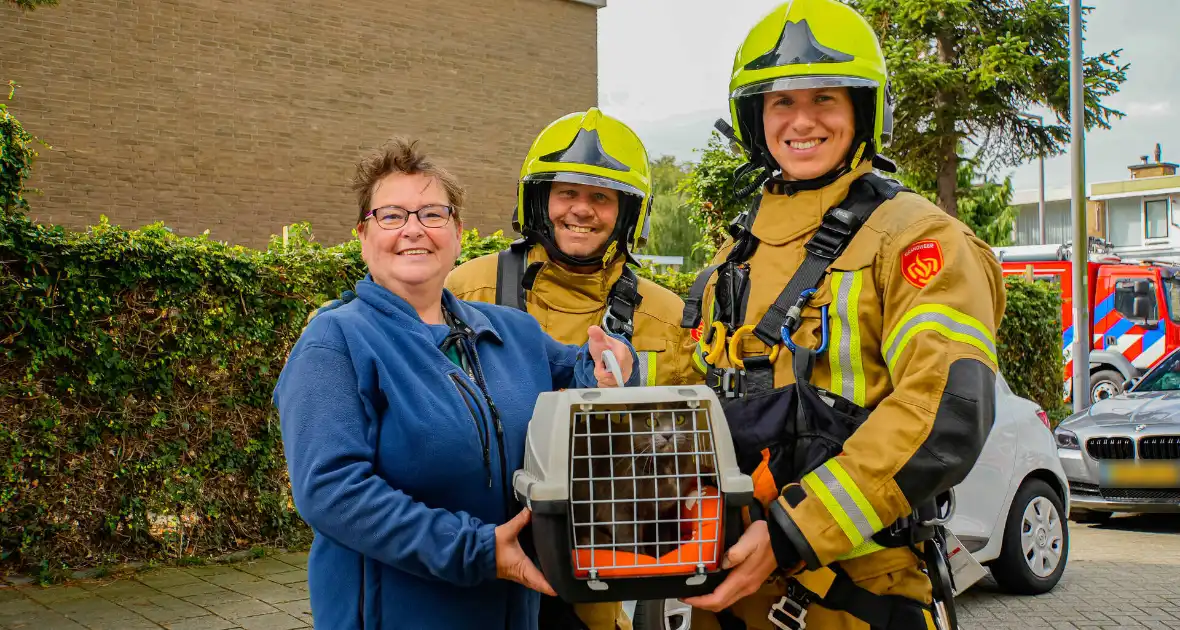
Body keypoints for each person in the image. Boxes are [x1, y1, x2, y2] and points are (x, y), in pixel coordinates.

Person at [675, 1, 1008, 628]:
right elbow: (701, 399)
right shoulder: (732, 253)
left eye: (825, 99)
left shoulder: (917, 239)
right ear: (756, 118)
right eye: (781, 102)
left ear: (862, 109)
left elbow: (945, 411)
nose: (802, 120)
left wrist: (797, 529)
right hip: (725, 588)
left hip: (856, 595)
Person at [273, 137, 640, 630]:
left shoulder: (511, 331)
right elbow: (331, 491)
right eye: (391, 216)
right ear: (363, 235)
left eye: (432, 214)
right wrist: (478, 549)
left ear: (458, 232)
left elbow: (582, 368)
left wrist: (616, 360)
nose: (413, 230)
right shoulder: (336, 341)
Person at [445, 108, 700, 630]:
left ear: (629, 213)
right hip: (480, 556)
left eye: (601, 197)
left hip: (598, 572)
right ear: (537, 200)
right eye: (566, 193)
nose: (581, 210)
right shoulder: (465, 289)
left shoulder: (667, 318)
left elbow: (686, 449)